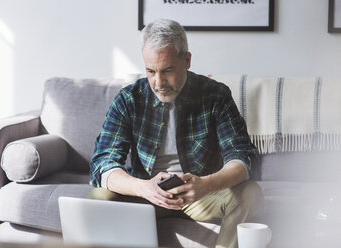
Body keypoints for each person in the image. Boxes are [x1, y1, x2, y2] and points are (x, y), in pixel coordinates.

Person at [87, 18, 264, 248]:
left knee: (250, 194)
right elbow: (103, 162)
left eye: (168, 70)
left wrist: (206, 185)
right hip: (146, 195)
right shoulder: (129, 98)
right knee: (97, 198)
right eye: (151, 71)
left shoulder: (215, 96)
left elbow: (243, 157)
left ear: (187, 60)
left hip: (200, 195)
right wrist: (143, 187)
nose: (159, 82)